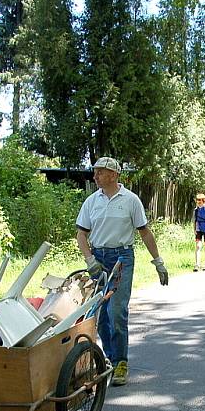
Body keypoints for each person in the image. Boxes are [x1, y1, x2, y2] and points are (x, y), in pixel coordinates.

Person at [76, 156, 169, 386]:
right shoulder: (91, 201)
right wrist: (89, 260)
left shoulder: (130, 200)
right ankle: (109, 357)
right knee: (101, 312)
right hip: (99, 258)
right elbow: (81, 234)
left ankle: (121, 363)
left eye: (100, 172)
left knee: (117, 311)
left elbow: (144, 232)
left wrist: (158, 261)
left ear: (114, 175)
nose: (95, 176)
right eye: (95, 172)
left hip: (122, 257)